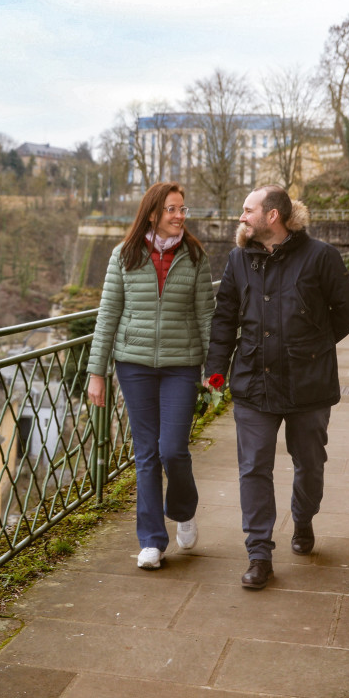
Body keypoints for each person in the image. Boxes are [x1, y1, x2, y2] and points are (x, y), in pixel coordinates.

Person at [205, 186, 349, 589]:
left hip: (308, 385)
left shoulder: (320, 257)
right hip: (254, 383)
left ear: (271, 215)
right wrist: (216, 369)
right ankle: (259, 554)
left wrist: (313, 347)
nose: (241, 217)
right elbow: (224, 318)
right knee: (253, 467)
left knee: (309, 462)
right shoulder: (240, 260)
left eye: (247, 210)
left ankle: (304, 517)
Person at [86, 181, 215, 570]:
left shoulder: (194, 256)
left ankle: (184, 509)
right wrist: (97, 372)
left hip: (181, 364)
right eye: (173, 209)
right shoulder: (124, 255)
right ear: (154, 213)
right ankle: (152, 542)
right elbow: (107, 316)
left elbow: (206, 316)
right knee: (145, 454)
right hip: (134, 365)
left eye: (183, 209)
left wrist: (215, 372)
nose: (180, 216)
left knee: (173, 449)